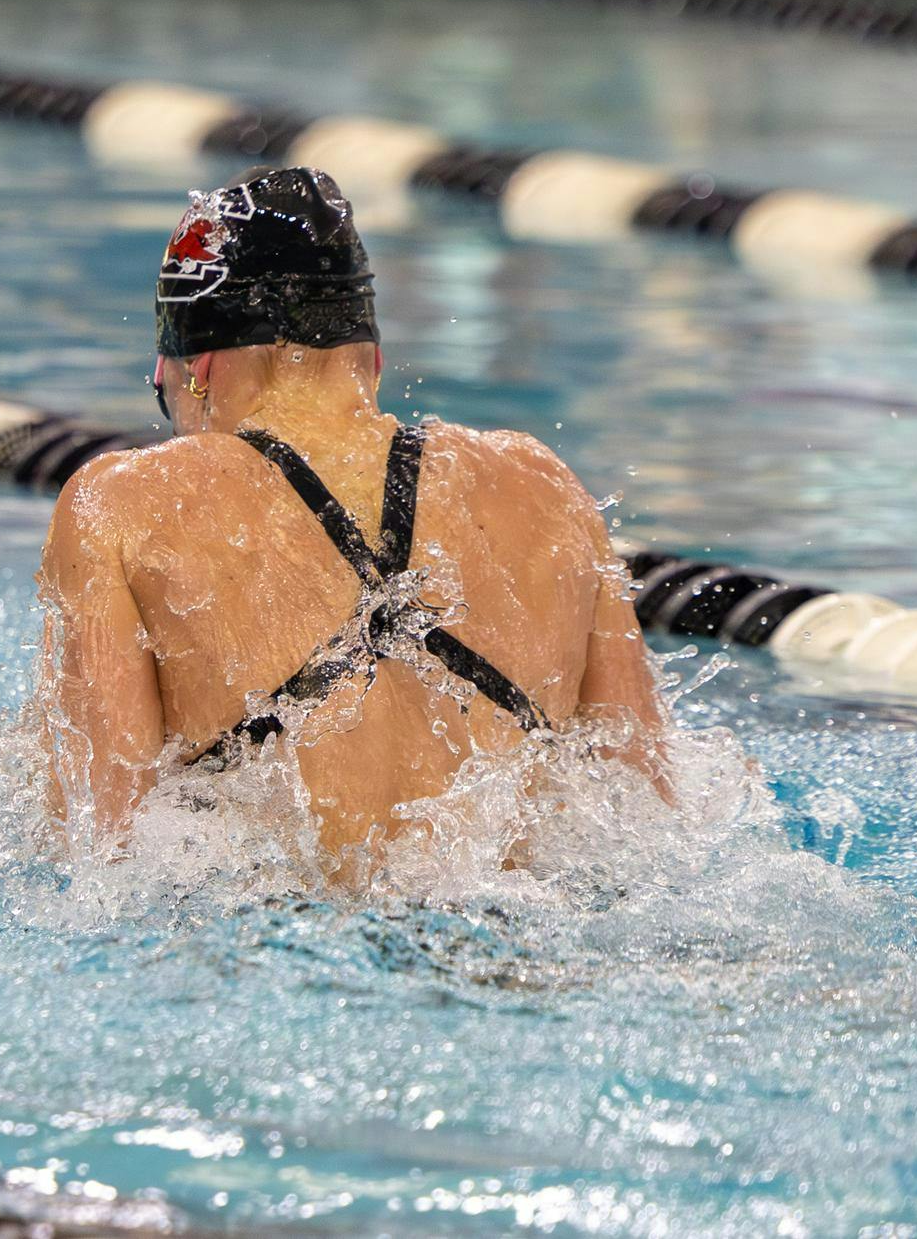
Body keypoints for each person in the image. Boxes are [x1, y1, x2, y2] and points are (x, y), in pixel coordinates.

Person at [36, 166, 667, 867]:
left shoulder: (119, 505)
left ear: (198, 370)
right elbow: (651, 813)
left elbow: (96, 849)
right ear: (370, 359)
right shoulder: (546, 487)